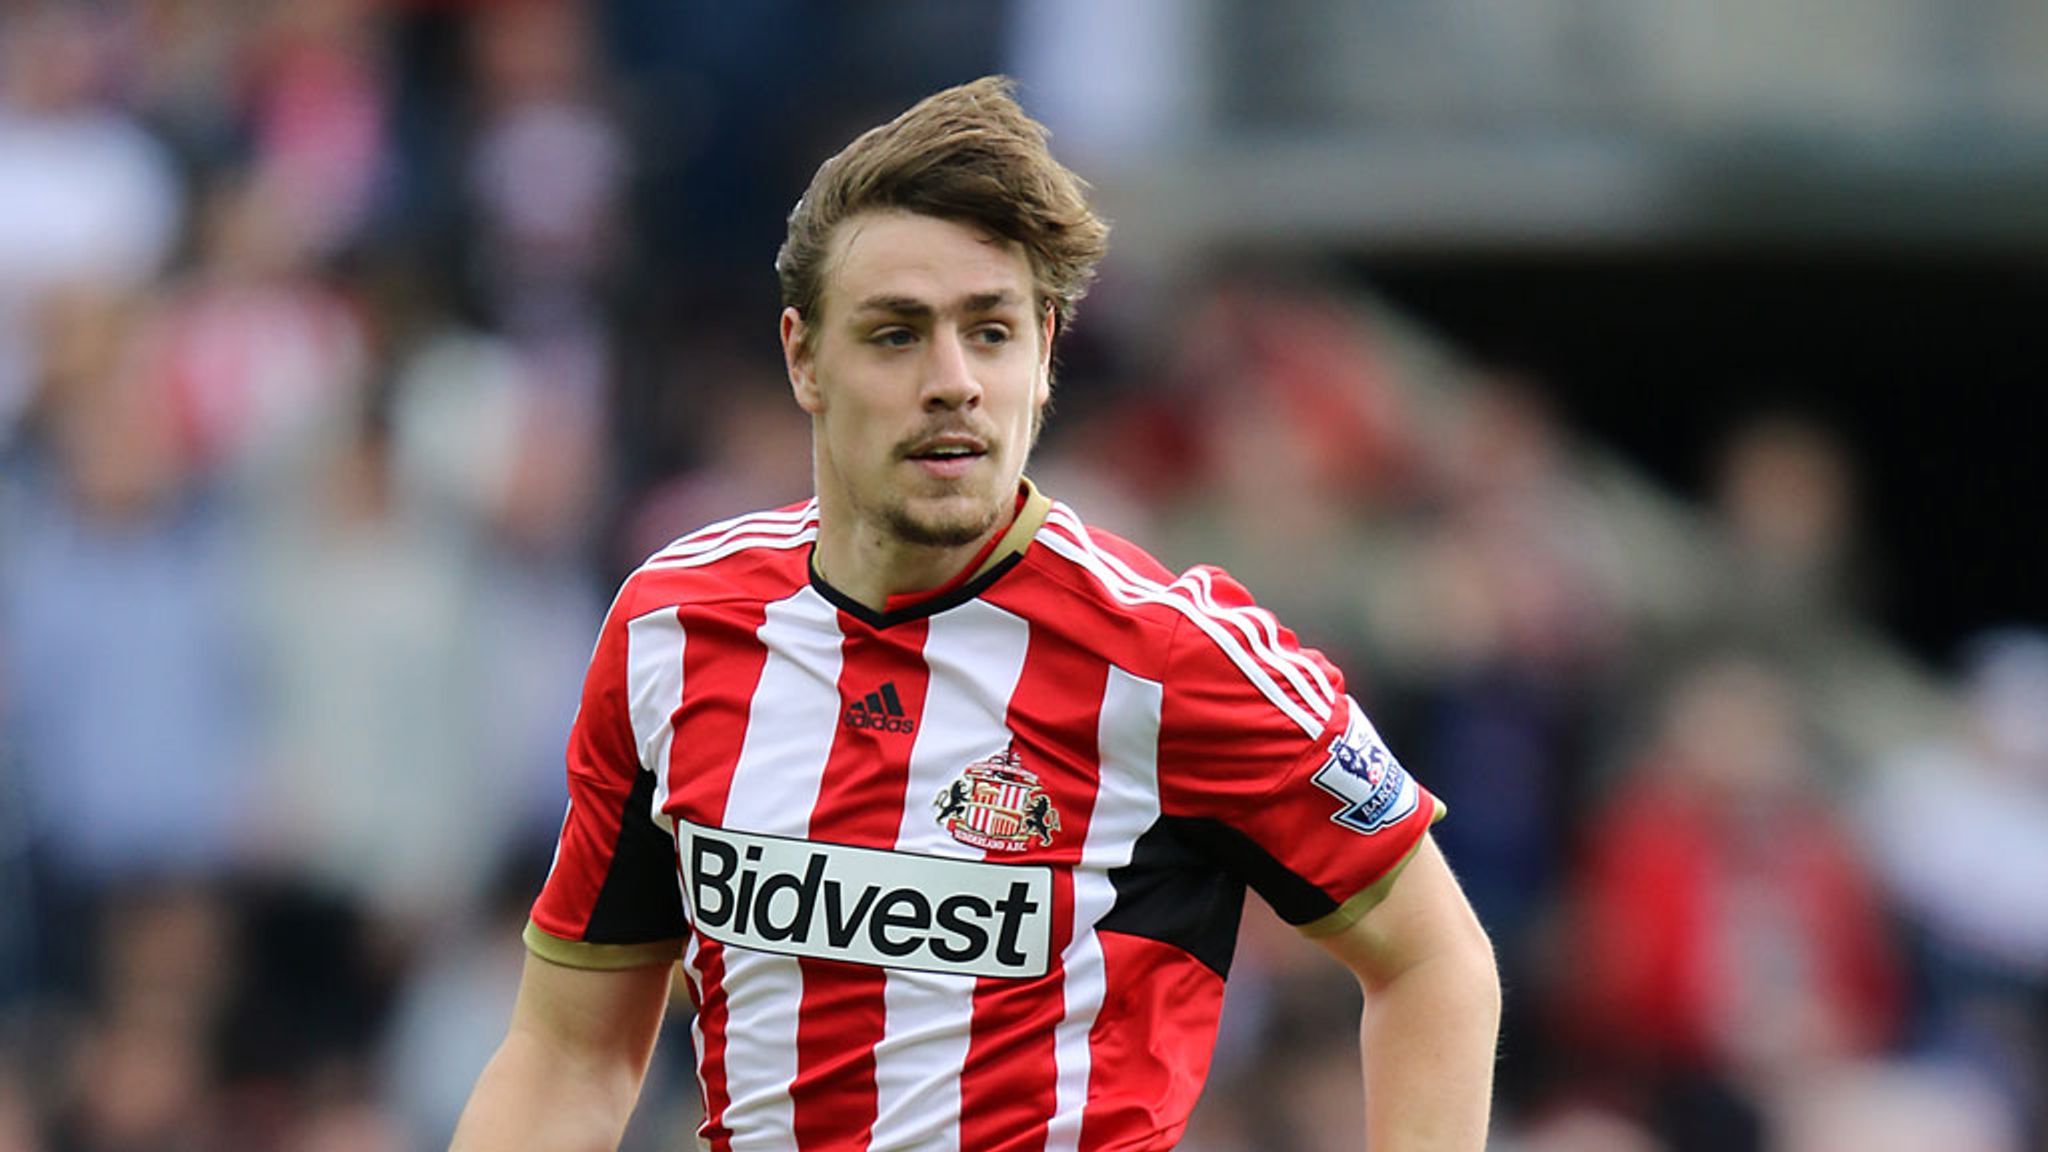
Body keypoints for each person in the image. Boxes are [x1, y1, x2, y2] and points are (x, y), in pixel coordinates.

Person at [451, 76, 1499, 1152]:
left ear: (1044, 354)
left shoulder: (1175, 658)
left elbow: (1436, 963)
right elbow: (571, 1052)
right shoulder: (672, 628)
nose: (952, 381)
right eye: (896, 335)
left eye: (989, 332)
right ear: (803, 357)